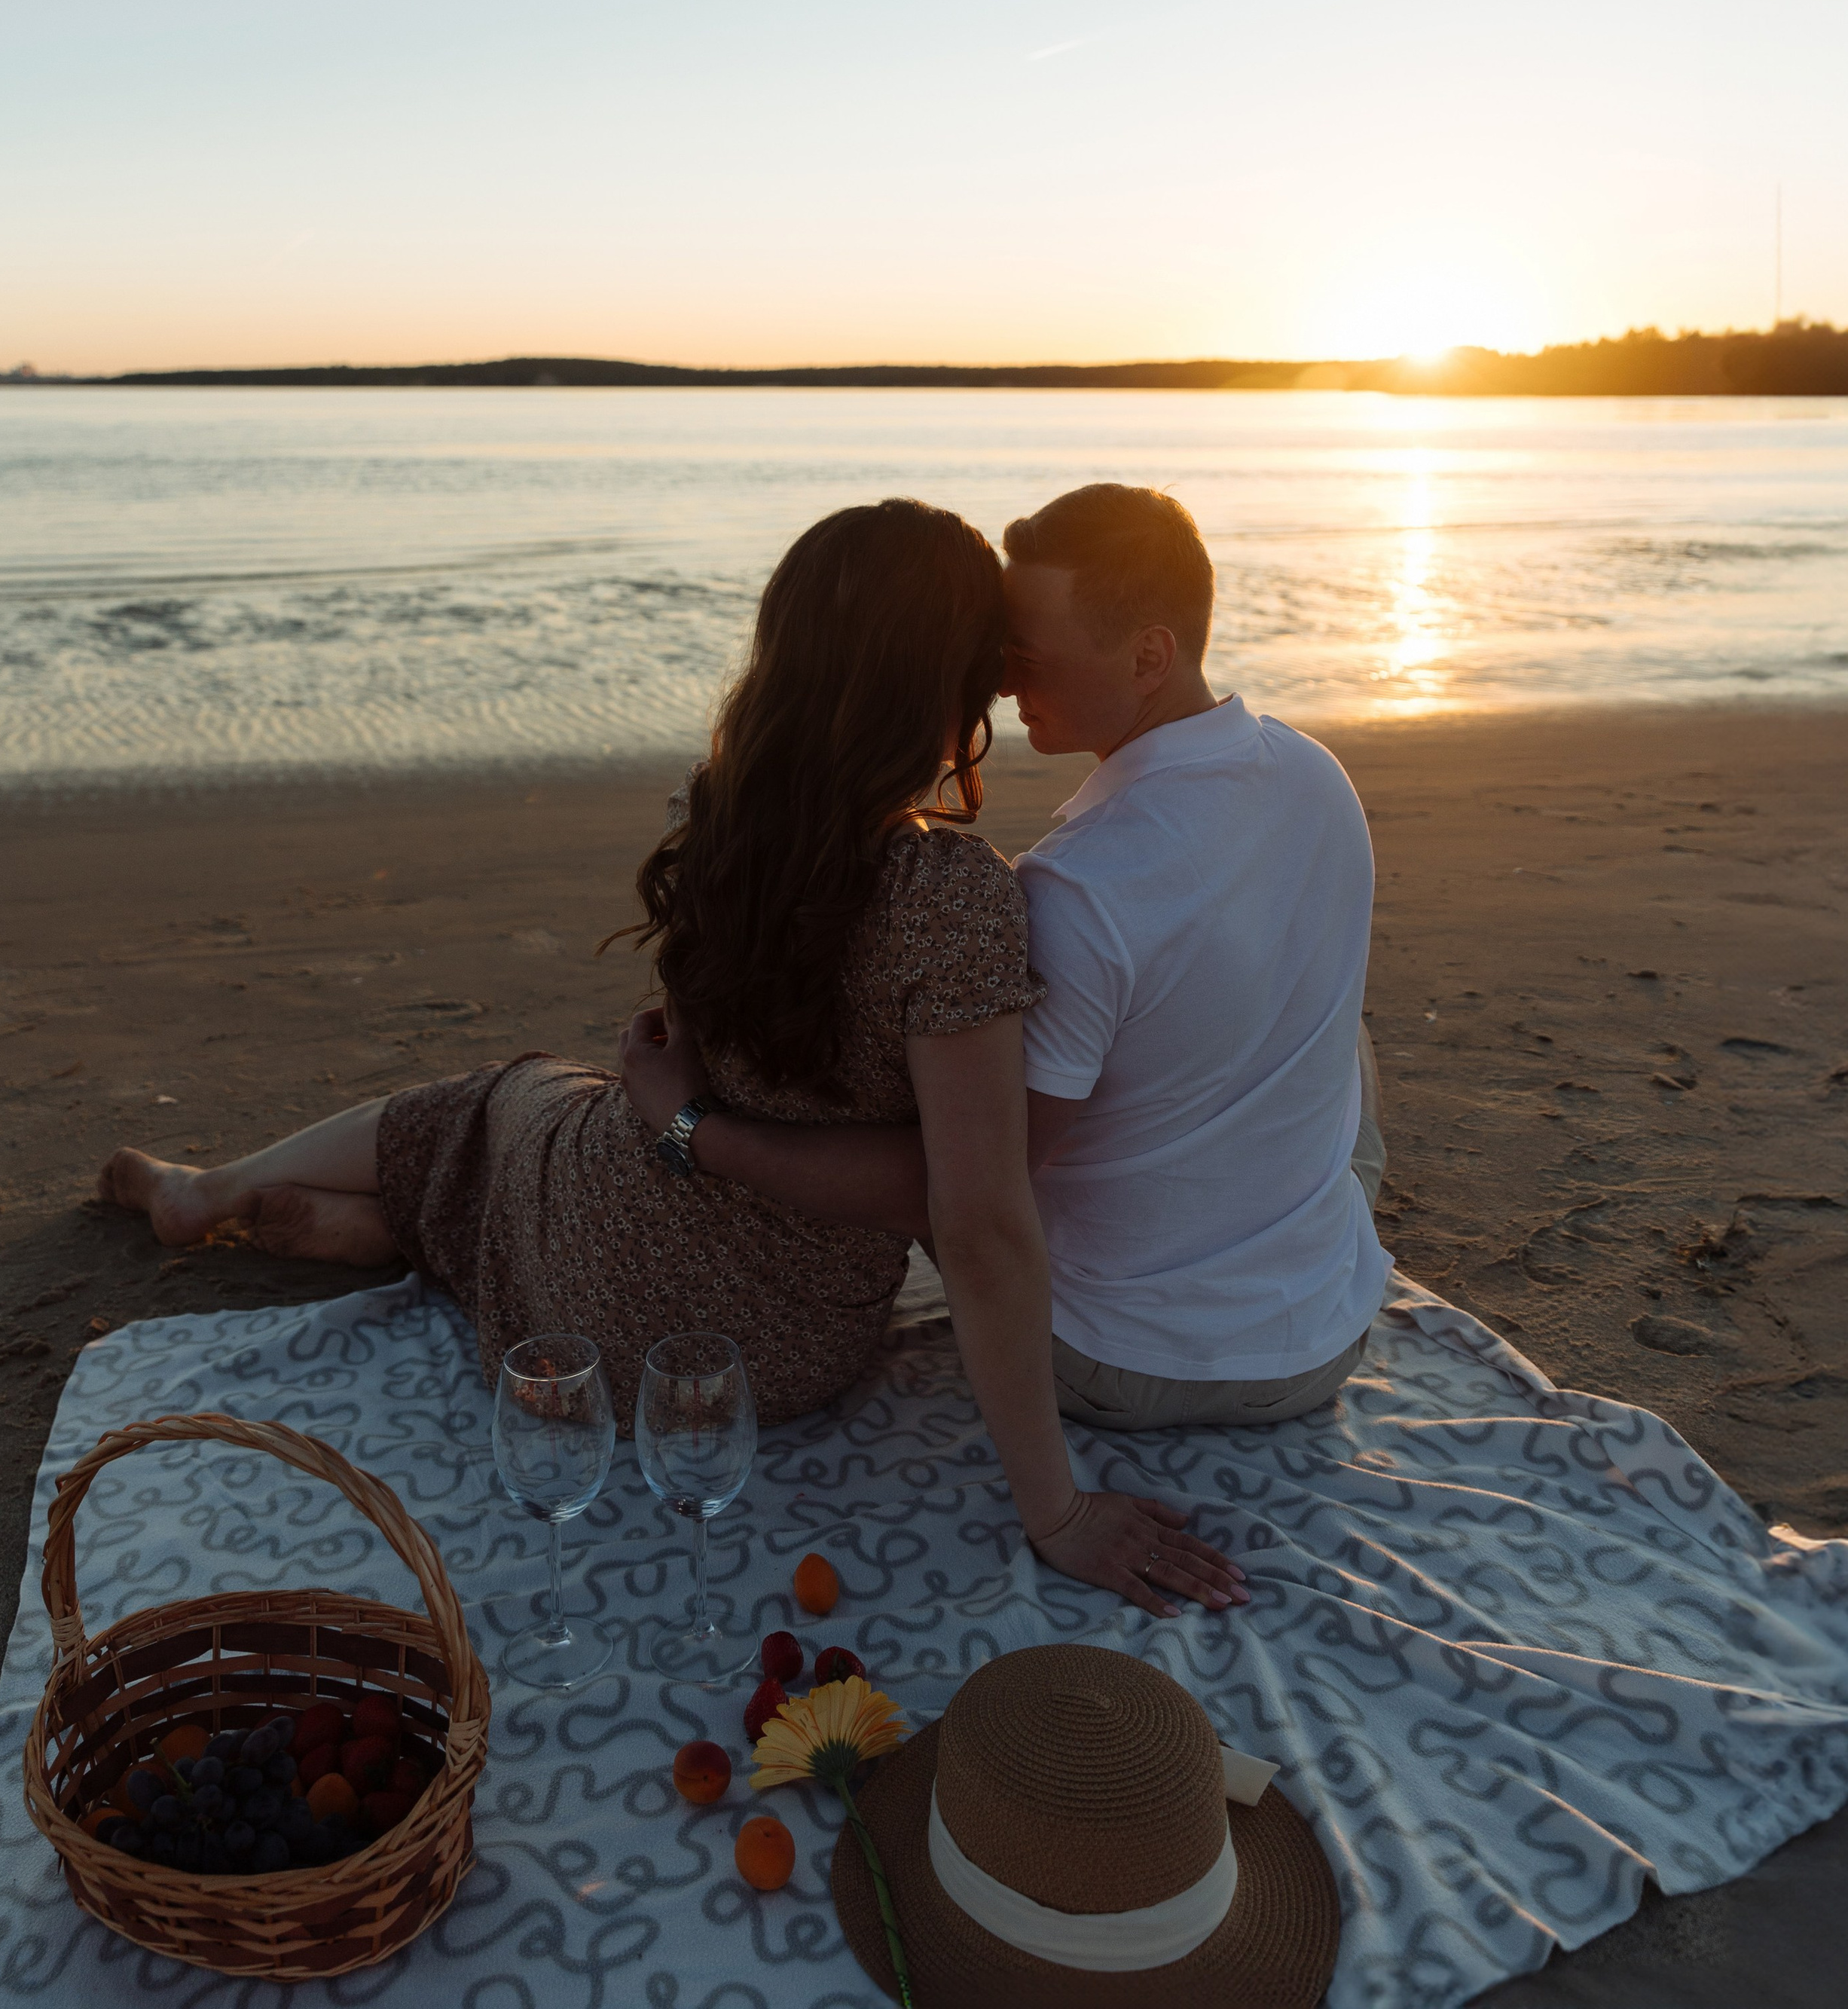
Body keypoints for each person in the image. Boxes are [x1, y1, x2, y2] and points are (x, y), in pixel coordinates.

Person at [97, 497, 1248, 1619]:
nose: (1003, 683)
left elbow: (685, 1059)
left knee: (509, 1099)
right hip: (762, 1367)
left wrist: (682, 1118)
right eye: (988, 659)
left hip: (596, 1280)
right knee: (523, 1128)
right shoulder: (955, 896)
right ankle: (370, 1226)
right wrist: (1055, 1512)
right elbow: (985, 1224)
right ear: (934, 679)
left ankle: (217, 1191)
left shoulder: (725, 821)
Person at [622, 482, 1390, 1435]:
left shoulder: (1075, 887)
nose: (998, 685)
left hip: (1112, 1361)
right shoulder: (1319, 777)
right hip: (1324, 1339)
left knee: (974, 1115)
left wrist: (697, 1127)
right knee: (1338, 1042)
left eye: (1023, 656)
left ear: (1149, 654)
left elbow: (970, 1194)